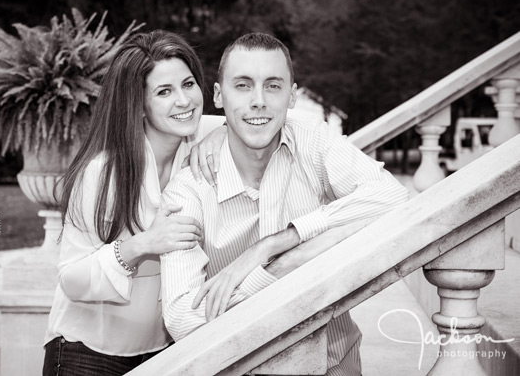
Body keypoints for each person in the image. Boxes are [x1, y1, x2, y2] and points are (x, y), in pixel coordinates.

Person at [159, 33, 409, 375]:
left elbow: (392, 197)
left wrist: (276, 244)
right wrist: (282, 267)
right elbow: (181, 318)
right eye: (243, 85)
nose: (259, 101)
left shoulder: (313, 141)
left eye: (273, 86)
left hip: (332, 362)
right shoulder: (188, 189)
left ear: (292, 95)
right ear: (218, 95)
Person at [42, 30, 226, 376]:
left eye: (188, 84)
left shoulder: (203, 140)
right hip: (87, 354)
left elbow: (265, 122)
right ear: (139, 105)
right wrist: (142, 245)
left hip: (166, 352)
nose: (185, 101)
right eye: (164, 92)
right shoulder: (102, 173)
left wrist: (217, 134)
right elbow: (71, 277)